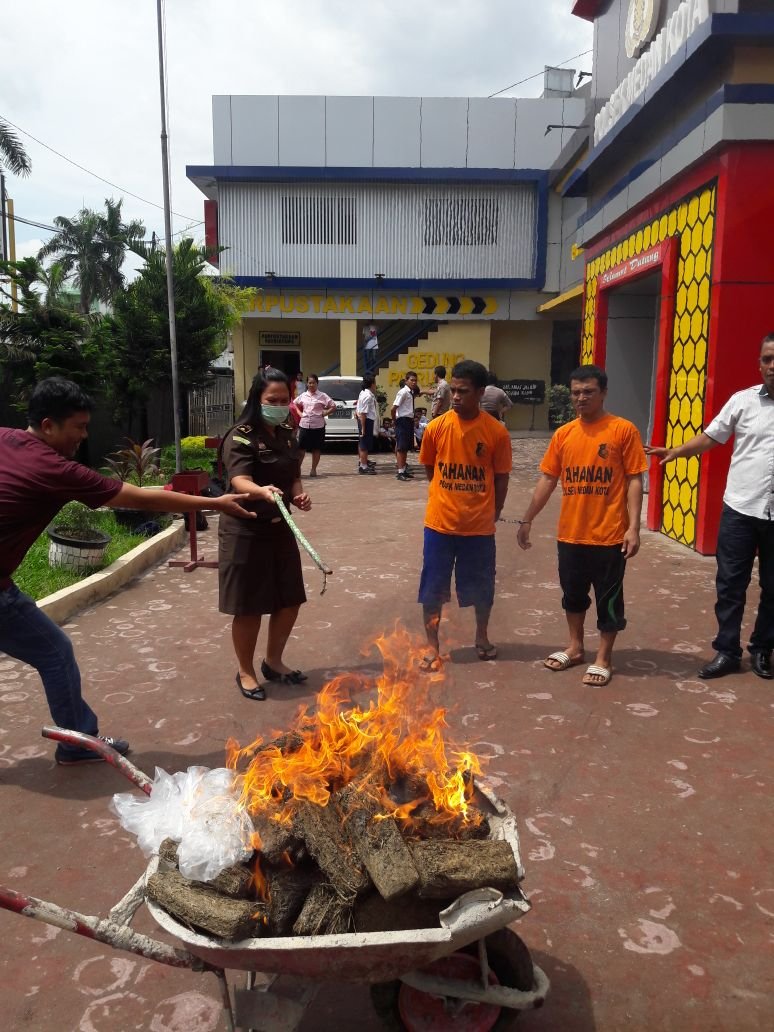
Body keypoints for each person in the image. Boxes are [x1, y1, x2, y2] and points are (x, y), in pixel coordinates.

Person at [0, 377, 256, 764]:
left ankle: (76, 740)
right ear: (49, 425)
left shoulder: (4, 438)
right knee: (54, 651)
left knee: (55, 651)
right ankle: (76, 743)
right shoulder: (53, 468)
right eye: (79, 428)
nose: (84, 437)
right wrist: (217, 504)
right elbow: (138, 496)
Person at [645, 333, 774, 680]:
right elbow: (711, 436)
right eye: (767, 359)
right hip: (741, 509)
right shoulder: (742, 402)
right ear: (759, 363)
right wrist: (676, 451)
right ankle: (727, 651)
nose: (772, 366)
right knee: (731, 583)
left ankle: (763, 649)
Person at [517, 365, 647, 687]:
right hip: (571, 534)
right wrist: (527, 518)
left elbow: (634, 479)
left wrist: (633, 528)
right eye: (576, 392)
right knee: (572, 595)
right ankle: (575, 647)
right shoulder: (564, 434)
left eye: (588, 391)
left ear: (603, 392)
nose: (581, 398)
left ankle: (604, 657)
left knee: (609, 599)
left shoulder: (622, 430)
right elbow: (548, 478)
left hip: (609, 535)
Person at [218, 369, 312, 701]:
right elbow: (238, 480)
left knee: (290, 600)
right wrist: (261, 490)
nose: (279, 406)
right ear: (257, 400)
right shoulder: (241, 436)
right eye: (272, 400)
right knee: (249, 607)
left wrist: (298, 495)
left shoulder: (288, 433)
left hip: (280, 529)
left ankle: (274, 662)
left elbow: (293, 474)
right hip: (245, 530)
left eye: (285, 400)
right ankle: (246, 671)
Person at [417, 359, 512, 670]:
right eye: (453, 390)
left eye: (463, 391)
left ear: (480, 392)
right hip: (439, 526)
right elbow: (431, 469)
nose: (455, 397)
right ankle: (432, 646)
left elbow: (501, 476)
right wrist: (447, 497)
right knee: (432, 589)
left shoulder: (496, 432)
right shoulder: (436, 428)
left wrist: (494, 510)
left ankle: (482, 637)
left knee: (482, 587)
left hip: (479, 529)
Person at [295, 374, 336, 477]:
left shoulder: (322, 396)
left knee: (316, 449)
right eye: (309, 383)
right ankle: (297, 470)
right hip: (304, 425)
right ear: (307, 384)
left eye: (313, 383)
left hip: (318, 426)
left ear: (317, 383)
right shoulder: (303, 395)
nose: (311, 385)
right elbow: (294, 404)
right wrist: (300, 414)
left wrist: (324, 413)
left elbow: (333, 406)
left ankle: (313, 470)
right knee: (301, 449)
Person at [392, 371, 418, 481]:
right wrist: (395, 420)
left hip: (408, 421)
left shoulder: (410, 393)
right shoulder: (403, 392)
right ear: (406, 380)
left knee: (406, 447)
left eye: (415, 380)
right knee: (401, 447)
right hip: (402, 421)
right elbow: (393, 408)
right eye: (411, 380)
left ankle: (403, 469)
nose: (414, 382)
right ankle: (400, 472)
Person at [356, 373, 378, 475]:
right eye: (375, 383)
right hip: (366, 421)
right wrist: (363, 428)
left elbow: (359, 408)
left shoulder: (363, 393)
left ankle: (363, 462)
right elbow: (364, 413)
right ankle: (363, 467)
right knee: (364, 444)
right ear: (372, 384)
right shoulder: (367, 396)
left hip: (365, 420)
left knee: (363, 442)